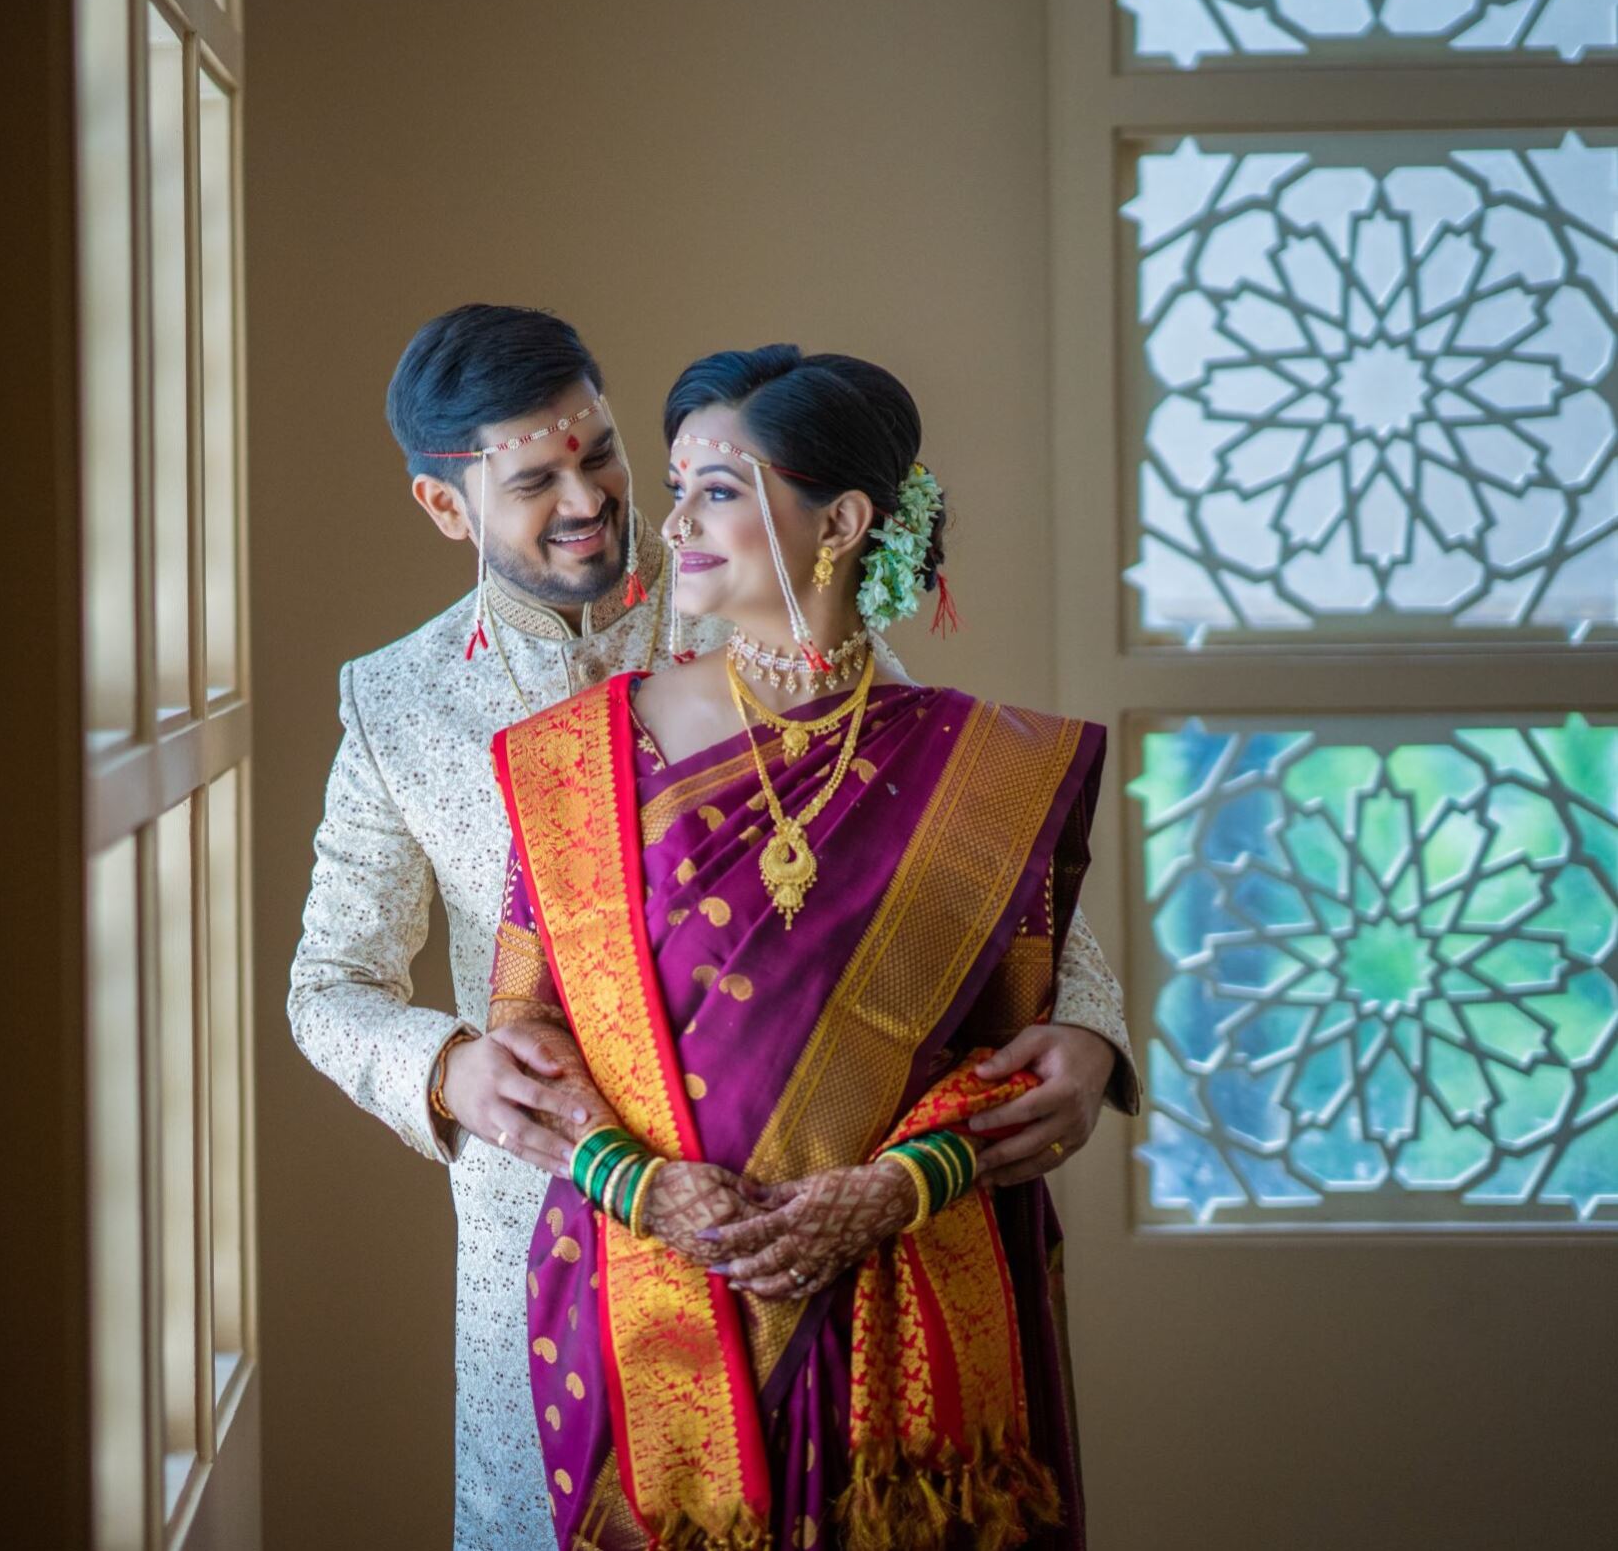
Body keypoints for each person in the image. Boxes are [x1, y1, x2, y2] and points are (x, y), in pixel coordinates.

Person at [288, 310, 1139, 1549]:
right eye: (533, 483)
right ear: (443, 505)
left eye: (601, 454)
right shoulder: (397, 702)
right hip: (560, 1207)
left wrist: (1090, 1031)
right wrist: (447, 1068)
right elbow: (329, 981)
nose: (591, 501)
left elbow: (950, 853)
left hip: (833, 1202)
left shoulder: (750, 592)